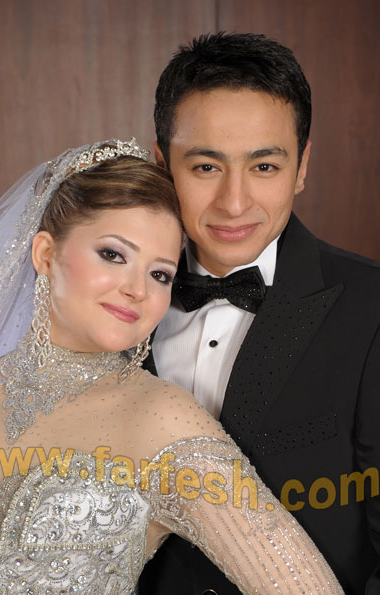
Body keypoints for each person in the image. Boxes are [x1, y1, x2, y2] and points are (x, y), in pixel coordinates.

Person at [0, 139, 343, 593]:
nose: (137, 290)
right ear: (45, 254)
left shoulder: (161, 419)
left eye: (160, 274)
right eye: (113, 255)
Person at [139, 33, 380, 594]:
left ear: (302, 166)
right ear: (161, 164)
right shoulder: (106, 306)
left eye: (265, 166)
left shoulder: (371, 310)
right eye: (206, 166)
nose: (234, 202)